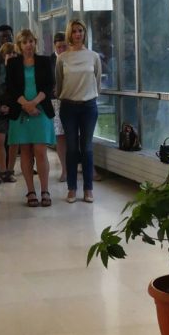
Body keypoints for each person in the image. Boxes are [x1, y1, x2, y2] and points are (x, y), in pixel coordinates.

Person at [6, 29, 55, 206]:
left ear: (35, 43)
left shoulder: (44, 61)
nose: (29, 45)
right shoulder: (12, 63)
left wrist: (34, 103)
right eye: (25, 42)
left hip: (40, 109)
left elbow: (49, 85)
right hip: (21, 111)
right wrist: (25, 105)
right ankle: (30, 191)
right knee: (25, 150)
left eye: (31, 41)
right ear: (19, 45)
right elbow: (10, 88)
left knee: (40, 151)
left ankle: (45, 190)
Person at [56, 20, 102, 204]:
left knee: (87, 147)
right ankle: (72, 188)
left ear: (84, 33)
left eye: (80, 30)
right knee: (72, 148)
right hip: (68, 106)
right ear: (69, 34)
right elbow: (58, 82)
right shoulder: (62, 58)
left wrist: (90, 95)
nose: (77, 34)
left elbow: (97, 80)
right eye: (74, 31)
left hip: (88, 106)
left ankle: (88, 188)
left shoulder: (93, 56)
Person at [0, 42, 18, 183]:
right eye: (9, 53)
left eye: (15, 53)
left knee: (14, 141)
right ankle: (2, 170)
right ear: (4, 56)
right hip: (0, 109)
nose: (12, 56)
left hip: (15, 109)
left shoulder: (20, 70)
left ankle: (10, 170)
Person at [50, 32, 68, 181]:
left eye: (64, 46)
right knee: (60, 137)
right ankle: (65, 169)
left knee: (78, 136)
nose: (62, 49)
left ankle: (88, 168)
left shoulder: (73, 57)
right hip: (56, 102)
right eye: (59, 47)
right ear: (54, 46)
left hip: (72, 100)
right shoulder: (48, 61)